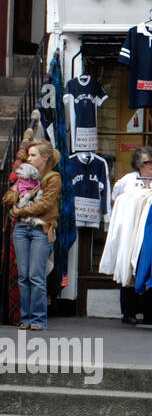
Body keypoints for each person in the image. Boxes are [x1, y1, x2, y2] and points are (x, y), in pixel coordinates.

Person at [3, 141, 62, 331]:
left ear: (45, 158)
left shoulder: (53, 178)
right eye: (29, 155)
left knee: (36, 275)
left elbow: (45, 204)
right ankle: (25, 317)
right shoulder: (23, 178)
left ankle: (37, 319)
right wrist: (18, 198)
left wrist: (18, 211)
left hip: (41, 229)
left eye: (33, 155)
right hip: (21, 229)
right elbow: (6, 197)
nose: (29, 159)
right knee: (23, 275)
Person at [113, 145, 152, 325]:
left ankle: (150, 313)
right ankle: (128, 312)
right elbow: (117, 201)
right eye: (148, 162)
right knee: (130, 270)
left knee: (151, 268)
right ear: (139, 164)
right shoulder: (127, 181)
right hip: (132, 230)